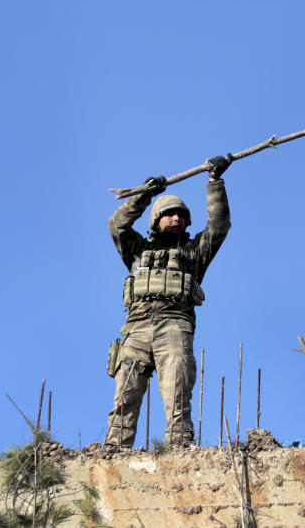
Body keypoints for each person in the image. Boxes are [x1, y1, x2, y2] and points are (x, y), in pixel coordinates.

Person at [103, 156, 231, 448]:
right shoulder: (138, 251)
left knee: (177, 390)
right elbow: (117, 224)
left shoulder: (193, 253)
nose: (177, 218)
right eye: (170, 214)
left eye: (181, 215)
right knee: (126, 393)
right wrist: (145, 195)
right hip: (136, 329)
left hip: (174, 325)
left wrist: (215, 183)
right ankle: (113, 450)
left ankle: (179, 447)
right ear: (156, 220)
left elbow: (219, 226)